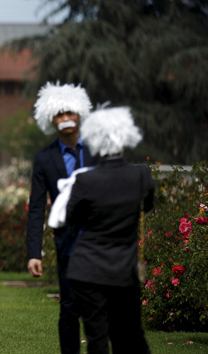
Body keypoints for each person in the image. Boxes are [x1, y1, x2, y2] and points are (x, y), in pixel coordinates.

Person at [55, 106, 153, 353]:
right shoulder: (141, 174)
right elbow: (147, 206)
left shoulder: (85, 180)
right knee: (129, 333)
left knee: (96, 336)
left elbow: (72, 219)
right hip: (124, 269)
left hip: (87, 269)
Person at [26, 82, 94, 354]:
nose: (65, 118)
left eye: (70, 113)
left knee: (99, 307)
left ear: (79, 114)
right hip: (67, 244)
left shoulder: (97, 150)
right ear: (50, 119)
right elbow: (36, 208)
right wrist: (34, 253)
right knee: (69, 307)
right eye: (59, 114)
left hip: (101, 240)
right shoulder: (44, 159)